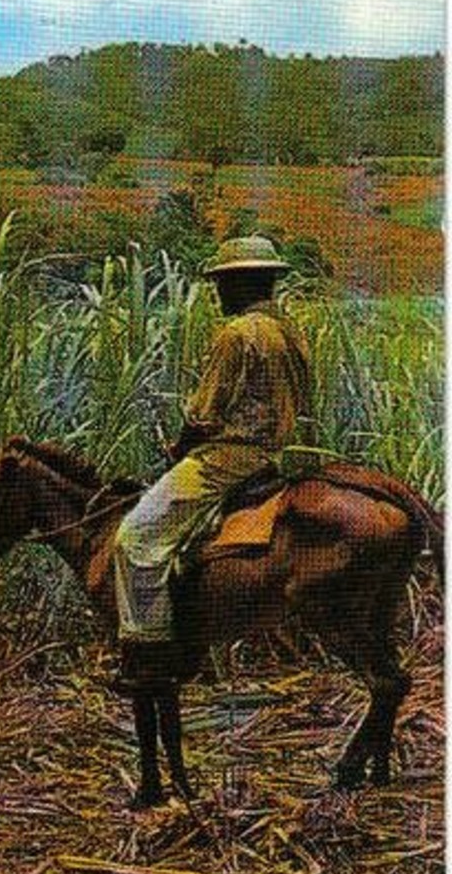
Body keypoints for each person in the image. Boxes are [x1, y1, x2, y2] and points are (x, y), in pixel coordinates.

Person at [113, 236, 313, 690]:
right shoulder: (289, 331)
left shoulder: (237, 333)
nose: (219, 293)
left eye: (223, 283)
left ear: (243, 283)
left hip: (228, 457)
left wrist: (179, 450)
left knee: (136, 537)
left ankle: (148, 654)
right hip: (270, 454)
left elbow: (204, 415)